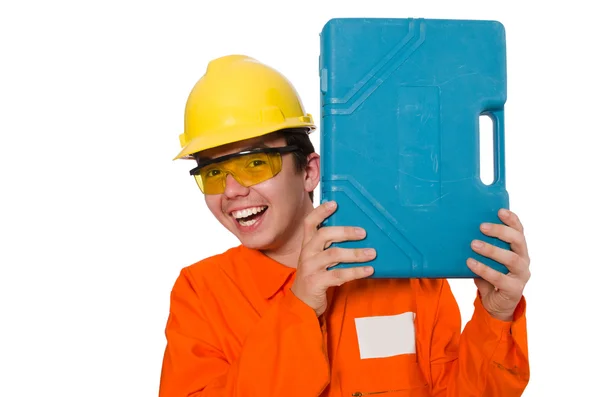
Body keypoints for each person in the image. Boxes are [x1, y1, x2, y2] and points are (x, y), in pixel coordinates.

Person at [159, 55, 531, 397]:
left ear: (309, 171)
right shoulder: (202, 295)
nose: (232, 191)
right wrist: (299, 309)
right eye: (213, 173)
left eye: (255, 164)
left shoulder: (411, 279)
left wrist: (495, 317)